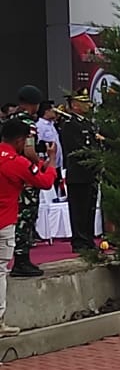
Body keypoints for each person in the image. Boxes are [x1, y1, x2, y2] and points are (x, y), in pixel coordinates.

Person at [1, 116, 58, 335]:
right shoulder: (17, 162)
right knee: (0, 271)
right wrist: (51, 160)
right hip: (4, 222)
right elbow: (45, 182)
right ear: (19, 141)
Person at [56, 89, 101, 255]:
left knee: (89, 208)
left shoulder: (87, 123)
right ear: (75, 105)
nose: (88, 105)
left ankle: (88, 238)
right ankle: (79, 240)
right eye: (84, 102)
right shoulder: (70, 124)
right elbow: (74, 148)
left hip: (91, 172)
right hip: (78, 172)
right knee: (79, 209)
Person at [8, 85, 45, 277]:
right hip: (25, 175)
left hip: (10, 172)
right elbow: (29, 150)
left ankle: (19, 258)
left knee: (17, 215)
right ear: (35, 103)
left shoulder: (11, 118)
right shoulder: (28, 123)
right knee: (27, 216)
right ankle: (22, 260)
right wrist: (40, 165)